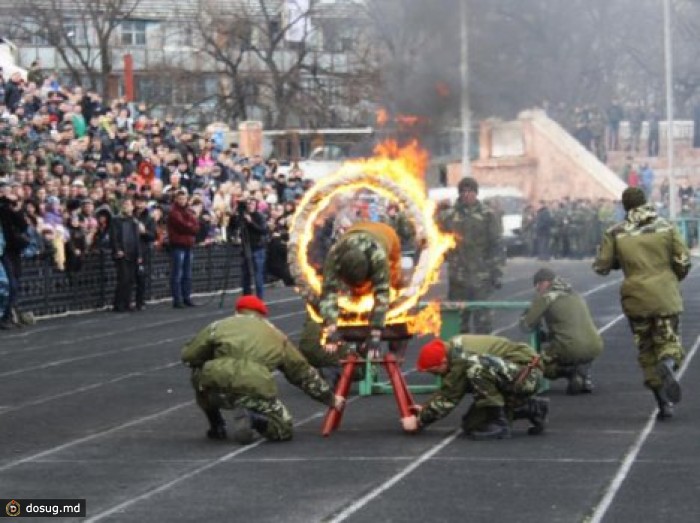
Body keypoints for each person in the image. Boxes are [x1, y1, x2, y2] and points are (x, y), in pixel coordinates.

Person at [181, 295, 344, 443]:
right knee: (283, 428)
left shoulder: (217, 326)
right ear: (262, 315)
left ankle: (216, 425)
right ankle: (255, 419)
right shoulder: (276, 336)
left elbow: (189, 356)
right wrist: (330, 399)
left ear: (237, 311)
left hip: (218, 389)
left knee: (199, 371)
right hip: (253, 387)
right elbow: (302, 373)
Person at [593, 187, 690, 420]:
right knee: (668, 341)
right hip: (665, 294)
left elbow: (601, 266)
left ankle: (663, 404)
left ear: (624, 206)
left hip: (635, 298)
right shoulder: (666, 226)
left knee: (646, 350)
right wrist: (671, 277)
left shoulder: (615, 232)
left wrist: (620, 261)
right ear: (645, 201)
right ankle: (668, 362)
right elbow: (683, 259)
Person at [401, 335, 549, 440]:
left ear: (443, 362)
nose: (435, 376)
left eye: (434, 371)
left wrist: (419, 421)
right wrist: (426, 409)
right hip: (513, 376)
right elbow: (448, 389)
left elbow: (450, 397)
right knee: (472, 425)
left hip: (528, 374)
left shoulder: (461, 357)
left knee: (476, 366)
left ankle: (500, 424)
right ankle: (532, 408)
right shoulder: (453, 351)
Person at [319, 221, 403, 353]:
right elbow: (328, 291)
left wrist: (376, 332)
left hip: (387, 235)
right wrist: (330, 328)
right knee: (355, 297)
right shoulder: (334, 255)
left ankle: (397, 341)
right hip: (356, 231)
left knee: (395, 285)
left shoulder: (378, 256)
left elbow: (382, 292)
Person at [520, 268, 604, 394]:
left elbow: (526, 325)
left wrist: (528, 310)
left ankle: (570, 373)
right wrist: (549, 336)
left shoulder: (546, 297)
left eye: (537, 286)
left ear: (544, 283)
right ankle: (583, 376)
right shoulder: (574, 294)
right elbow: (569, 327)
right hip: (595, 345)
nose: (537, 289)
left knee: (534, 364)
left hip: (570, 347)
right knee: (578, 350)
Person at [439, 177, 504, 333]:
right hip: (458, 278)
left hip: (481, 276)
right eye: (464, 191)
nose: (467, 195)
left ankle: (482, 354)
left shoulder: (488, 215)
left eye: (470, 191)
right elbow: (439, 241)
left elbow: (496, 244)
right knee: (459, 322)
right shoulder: (449, 216)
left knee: (483, 321)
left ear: (476, 193)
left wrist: (497, 272)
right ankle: (460, 355)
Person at [166, 189, 200, 308]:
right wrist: (191, 226)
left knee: (187, 274)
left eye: (184, 198)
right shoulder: (173, 212)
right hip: (178, 245)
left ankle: (186, 297)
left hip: (188, 245)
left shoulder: (189, 211)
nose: (182, 201)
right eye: (180, 199)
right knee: (177, 273)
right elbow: (183, 226)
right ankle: (177, 299)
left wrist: (191, 226)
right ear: (176, 199)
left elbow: (196, 226)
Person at [109, 198, 142, 312]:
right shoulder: (115, 220)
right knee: (123, 278)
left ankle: (127, 303)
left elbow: (137, 239)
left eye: (128, 204)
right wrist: (117, 249)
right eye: (124, 205)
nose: (126, 207)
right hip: (122, 253)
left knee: (130, 279)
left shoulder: (134, 221)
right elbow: (113, 236)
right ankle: (118, 304)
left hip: (132, 252)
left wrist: (139, 255)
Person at [133, 194, 156, 310]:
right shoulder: (131, 216)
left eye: (142, 201)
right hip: (130, 249)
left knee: (141, 278)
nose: (140, 204)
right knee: (129, 278)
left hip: (143, 250)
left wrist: (144, 232)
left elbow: (153, 236)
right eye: (138, 201)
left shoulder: (149, 218)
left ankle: (140, 301)